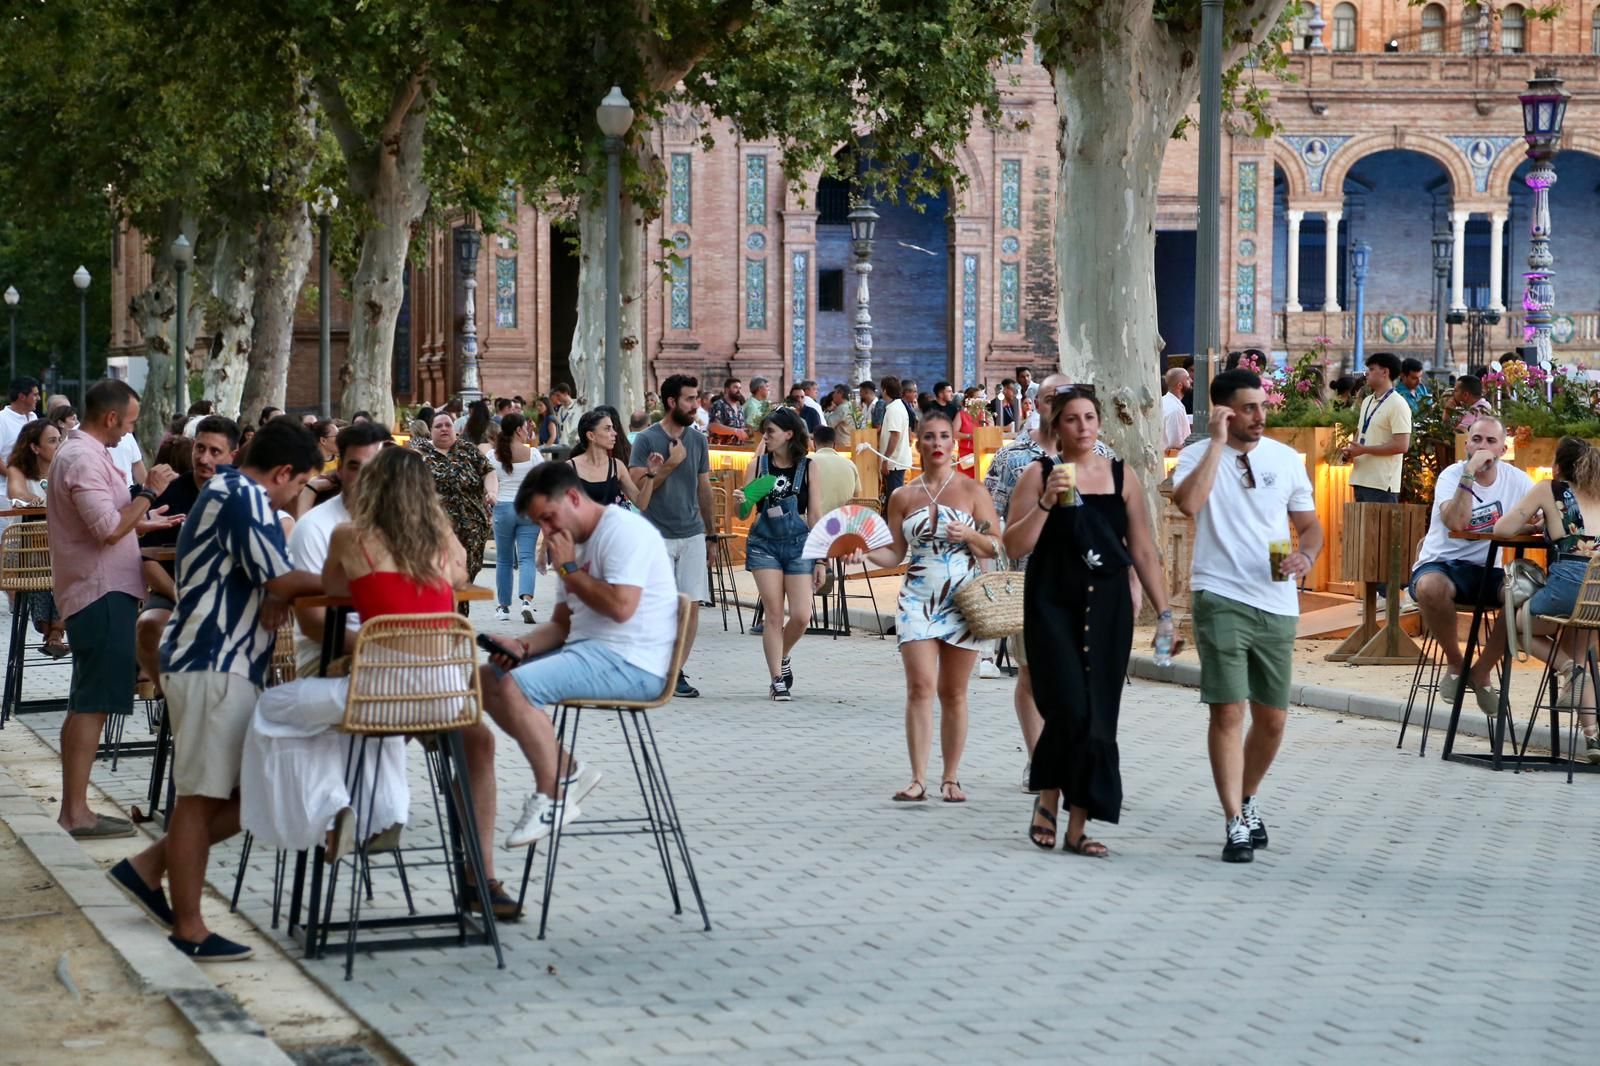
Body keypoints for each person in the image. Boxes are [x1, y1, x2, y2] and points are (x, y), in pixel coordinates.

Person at [106, 418, 324, 962]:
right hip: (212, 663)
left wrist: (280, 585)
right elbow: (281, 580)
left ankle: (147, 869)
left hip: (218, 662)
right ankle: (190, 928)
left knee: (238, 794)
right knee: (201, 803)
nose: (298, 497)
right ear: (284, 473)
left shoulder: (232, 491)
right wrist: (365, 581)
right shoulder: (242, 497)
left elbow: (273, 580)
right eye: (299, 486)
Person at [239, 448, 477, 884]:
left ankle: (332, 812)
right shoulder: (442, 543)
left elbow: (332, 586)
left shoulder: (351, 536)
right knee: (354, 717)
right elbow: (460, 576)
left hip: (382, 692)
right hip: (449, 698)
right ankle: (386, 813)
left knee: (274, 709)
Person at [1004, 386, 1174, 857]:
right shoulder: (1038, 474)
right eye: (1073, 419)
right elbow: (1014, 546)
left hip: (1108, 606)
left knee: (1100, 717)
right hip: (1052, 604)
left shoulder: (1123, 477)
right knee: (1069, 708)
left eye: (1090, 418)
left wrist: (1164, 612)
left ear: (1100, 423)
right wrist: (1044, 504)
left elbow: (1141, 549)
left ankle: (1077, 827)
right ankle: (1048, 796)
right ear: (1056, 426)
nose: (1083, 427)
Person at [479, 462, 678, 846]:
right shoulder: (571, 542)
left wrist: (569, 569)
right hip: (591, 652)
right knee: (489, 678)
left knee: (516, 687)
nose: (547, 531)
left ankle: (553, 794)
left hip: (633, 661)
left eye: (549, 518)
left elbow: (621, 607)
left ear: (573, 498)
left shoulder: (623, 532)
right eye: (540, 523)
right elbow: (561, 626)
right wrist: (521, 645)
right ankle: (568, 768)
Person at [1173, 369, 1323, 863]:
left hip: (1276, 598)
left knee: (1273, 720)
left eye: (1263, 406)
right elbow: (1188, 503)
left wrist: (1307, 556)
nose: (1261, 416)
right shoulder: (1197, 456)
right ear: (1224, 411)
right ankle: (1234, 820)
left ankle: (1248, 796)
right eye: (1249, 407)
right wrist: (1216, 443)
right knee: (1229, 710)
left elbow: (1309, 526)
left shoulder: (1284, 458)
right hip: (1219, 595)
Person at [46, 380, 182, 840]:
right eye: (129, 420)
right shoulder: (83, 457)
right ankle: (76, 813)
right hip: (99, 594)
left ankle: (75, 808)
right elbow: (106, 529)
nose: (131, 428)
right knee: (93, 703)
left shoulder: (88, 453)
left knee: (87, 701)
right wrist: (149, 491)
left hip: (101, 592)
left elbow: (107, 521)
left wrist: (146, 520)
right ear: (109, 417)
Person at [854, 411, 1001, 803]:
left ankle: (950, 777)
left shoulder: (973, 492)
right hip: (917, 597)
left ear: (954, 443)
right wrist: (863, 553)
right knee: (919, 686)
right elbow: (895, 554)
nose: (937, 444)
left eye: (944, 438)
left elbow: (997, 545)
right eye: (929, 438)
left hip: (963, 600)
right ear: (917, 443)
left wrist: (971, 533)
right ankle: (917, 777)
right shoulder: (903, 496)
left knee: (953, 692)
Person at [1461, 437, 1600, 761]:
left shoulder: (1550, 490)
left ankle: (1566, 668)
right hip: (1597, 595)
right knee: (1580, 652)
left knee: (1518, 621)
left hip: (1568, 588)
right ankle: (1592, 738)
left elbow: (1503, 528)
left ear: (1558, 466)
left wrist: (1535, 519)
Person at [1408, 417, 1531, 713]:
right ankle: (1455, 661)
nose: (1483, 446)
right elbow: (1457, 522)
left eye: (1490, 441)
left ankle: (1481, 671)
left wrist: (1531, 521)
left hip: (1488, 570)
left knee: (1523, 593)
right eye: (1477, 440)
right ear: (1467, 444)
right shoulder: (1452, 476)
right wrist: (1469, 474)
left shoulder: (1518, 481)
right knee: (1429, 588)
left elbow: (1538, 518)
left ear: (1503, 448)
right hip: (1441, 564)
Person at [983, 373, 1069, 786]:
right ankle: (1040, 760)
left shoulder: (1099, 454)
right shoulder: (1012, 458)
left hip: (1081, 583)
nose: (1059, 405)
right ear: (1037, 403)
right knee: (1032, 673)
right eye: (1051, 397)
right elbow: (991, 518)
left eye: (1067, 397)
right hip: (1028, 578)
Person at [136, 418, 240, 695]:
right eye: (199, 448)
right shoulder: (170, 491)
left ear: (233, 455)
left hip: (231, 595)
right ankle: (173, 701)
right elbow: (147, 559)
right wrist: (181, 597)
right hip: (174, 592)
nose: (204, 458)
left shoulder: (243, 494)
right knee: (148, 625)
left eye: (215, 452)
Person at [286, 421, 393, 677]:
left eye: (372, 468)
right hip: (329, 657)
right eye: (354, 467)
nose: (363, 478)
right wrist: (384, 651)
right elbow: (313, 624)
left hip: (400, 655)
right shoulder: (313, 527)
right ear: (340, 470)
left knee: (464, 701)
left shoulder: (402, 521)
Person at [628, 375, 712, 698]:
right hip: (656, 535)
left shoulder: (698, 441)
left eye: (697, 398)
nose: (696, 405)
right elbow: (638, 490)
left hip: (692, 534)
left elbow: (703, 488)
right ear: (672, 402)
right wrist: (669, 465)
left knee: (690, 606)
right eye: (690, 399)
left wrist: (711, 535)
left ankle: (675, 671)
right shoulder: (646, 440)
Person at [741, 408, 824, 700]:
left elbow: (815, 514)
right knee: (774, 615)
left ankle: (783, 655)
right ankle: (776, 678)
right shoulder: (757, 465)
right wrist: (744, 497)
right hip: (764, 543)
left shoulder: (809, 467)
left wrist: (821, 558)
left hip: (799, 543)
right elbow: (743, 513)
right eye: (765, 431)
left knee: (801, 615)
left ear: (789, 434)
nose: (766, 436)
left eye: (771, 431)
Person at [413, 411, 496, 593]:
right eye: (438, 426)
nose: (444, 429)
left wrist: (491, 492)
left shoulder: (468, 450)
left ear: (455, 429)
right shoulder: (420, 454)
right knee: (442, 577)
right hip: (436, 529)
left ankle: (457, 617)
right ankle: (448, 616)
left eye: (448, 425)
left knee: (466, 576)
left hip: (473, 528)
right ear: (431, 431)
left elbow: (488, 471)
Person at [6, 420, 67, 656]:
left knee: (66, 574)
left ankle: (53, 634)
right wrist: (39, 500)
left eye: (59, 439)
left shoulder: (64, 467)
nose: (58, 445)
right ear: (34, 447)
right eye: (52, 441)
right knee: (41, 571)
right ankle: (54, 634)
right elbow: (17, 493)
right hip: (27, 551)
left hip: (59, 550)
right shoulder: (18, 469)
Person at [483, 413, 544, 624]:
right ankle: (527, 601)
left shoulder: (493, 455)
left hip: (503, 508)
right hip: (528, 509)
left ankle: (503, 607)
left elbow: (488, 482)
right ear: (519, 430)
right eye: (526, 428)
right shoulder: (533, 454)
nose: (528, 431)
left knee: (504, 559)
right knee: (527, 558)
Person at [1343, 352, 1410, 506]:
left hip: (1381, 484)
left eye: (1372, 369)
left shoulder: (1398, 404)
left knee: (1379, 531)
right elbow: (1361, 433)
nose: (1367, 373)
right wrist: (1351, 452)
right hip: (1360, 479)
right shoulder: (1367, 401)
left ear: (1385, 372)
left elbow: (1402, 445)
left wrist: (1364, 450)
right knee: (1362, 531)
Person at [570, 409, 657, 510]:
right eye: (607, 429)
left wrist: (650, 475)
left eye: (612, 428)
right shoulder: (570, 468)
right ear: (591, 436)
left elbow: (641, 503)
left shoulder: (617, 466)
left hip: (611, 525)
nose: (614, 433)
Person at [809, 426, 861, 515]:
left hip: (815, 524)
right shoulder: (850, 464)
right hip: (844, 523)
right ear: (834, 444)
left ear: (814, 444)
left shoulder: (806, 462)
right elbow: (856, 497)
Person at [878, 375, 912, 501]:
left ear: (885, 390)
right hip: (895, 460)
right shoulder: (896, 407)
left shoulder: (894, 409)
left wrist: (886, 459)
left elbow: (895, 435)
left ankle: (895, 521)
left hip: (894, 461)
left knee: (894, 497)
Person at [0, 375, 40, 469]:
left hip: (32, 481)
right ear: (22, 397)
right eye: (35, 395)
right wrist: (16, 478)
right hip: (7, 483)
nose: (39, 398)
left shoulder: (33, 417)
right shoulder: (2, 419)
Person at [1161, 367, 1192, 452]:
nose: (1191, 381)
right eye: (1187, 379)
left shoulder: (1163, 401)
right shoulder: (1175, 409)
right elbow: (1176, 446)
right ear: (1179, 385)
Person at [549, 383, 581, 447]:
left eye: (558, 395)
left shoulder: (577, 407)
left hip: (574, 445)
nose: (557, 398)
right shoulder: (561, 409)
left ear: (566, 393)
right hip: (562, 444)